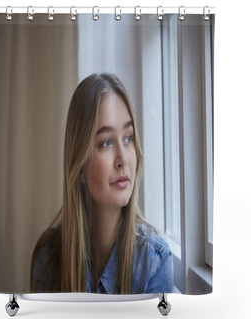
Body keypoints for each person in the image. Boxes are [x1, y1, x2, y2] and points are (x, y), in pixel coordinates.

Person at [30, 73, 173, 294]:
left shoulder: (154, 261)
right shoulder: (47, 258)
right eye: (106, 142)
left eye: (128, 138)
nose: (123, 159)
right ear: (80, 168)